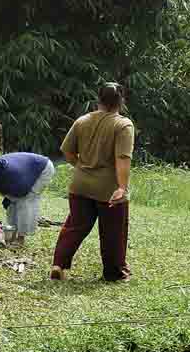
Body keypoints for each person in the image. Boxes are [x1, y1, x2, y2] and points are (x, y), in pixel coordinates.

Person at [51, 82, 134, 282]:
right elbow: (122, 158)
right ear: (120, 101)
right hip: (108, 188)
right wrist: (122, 188)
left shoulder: (82, 120)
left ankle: (59, 264)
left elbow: (67, 151)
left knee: (75, 226)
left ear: (98, 99)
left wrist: (81, 165)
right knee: (113, 231)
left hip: (79, 185)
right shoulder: (123, 125)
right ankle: (115, 273)